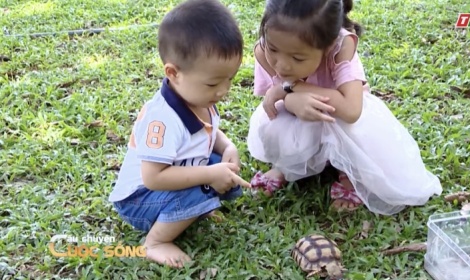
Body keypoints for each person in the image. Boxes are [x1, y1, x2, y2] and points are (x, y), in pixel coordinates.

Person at [246, 0, 442, 215]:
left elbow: (351, 110)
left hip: (339, 114)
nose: (281, 64)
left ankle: (349, 172)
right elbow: (274, 99)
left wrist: (292, 86)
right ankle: (285, 167)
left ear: (328, 46)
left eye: (297, 58)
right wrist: (291, 99)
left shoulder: (342, 46)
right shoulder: (264, 50)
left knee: (353, 133)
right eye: (274, 48)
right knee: (274, 123)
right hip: (299, 112)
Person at [108, 0, 250, 268]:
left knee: (223, 172)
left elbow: (209, 133)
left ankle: (193, 210)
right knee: (203, 186)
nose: (223, 91)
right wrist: (210, 174)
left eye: (229, 79)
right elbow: (153, 177)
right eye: (213, 83)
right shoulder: (162, 120)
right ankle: (155, 242)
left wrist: (228, 147)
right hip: (140, 199)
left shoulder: (198, 97)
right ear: (173, 73)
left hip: (176, 170)